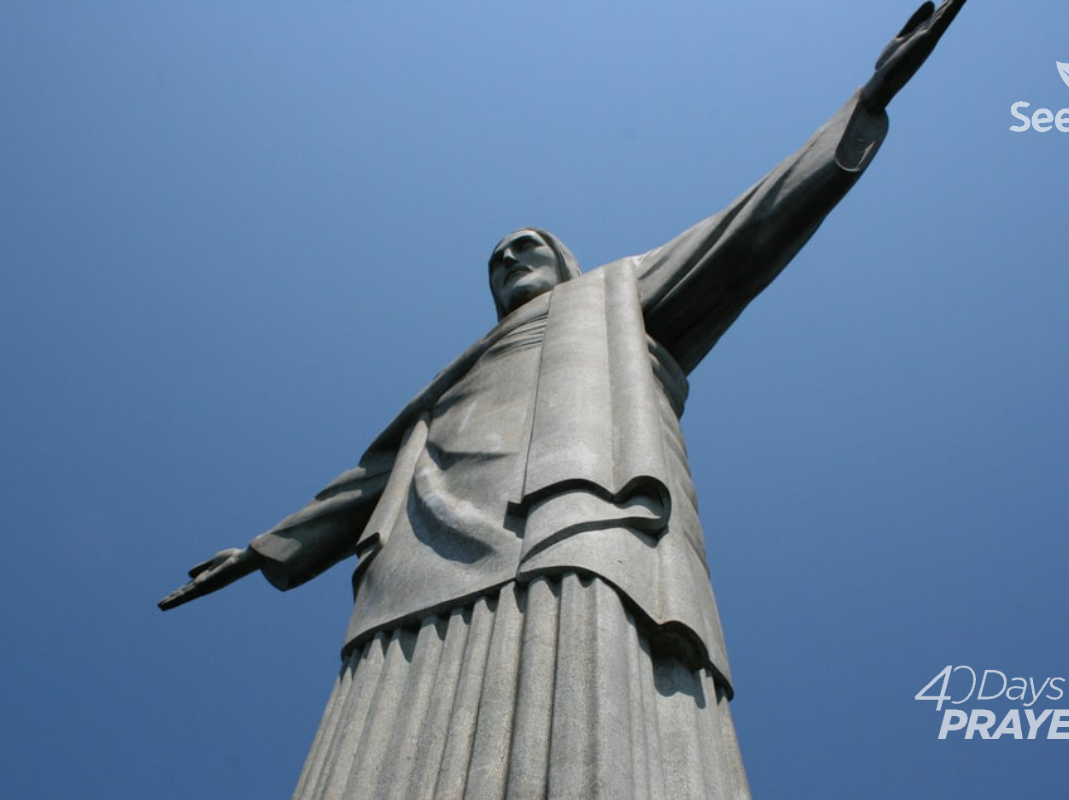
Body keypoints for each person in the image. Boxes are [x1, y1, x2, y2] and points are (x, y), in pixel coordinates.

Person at [160, 3, 965, 797]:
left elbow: (746, 231)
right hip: (421, 554)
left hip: (575, 508)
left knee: (583, 683)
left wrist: (864, 104)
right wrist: (261, 551)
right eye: (497, 258)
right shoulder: (449, 382)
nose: (511, 258)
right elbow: (368, 480)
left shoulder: (614, 298)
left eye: (528, 245)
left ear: (564, 260)